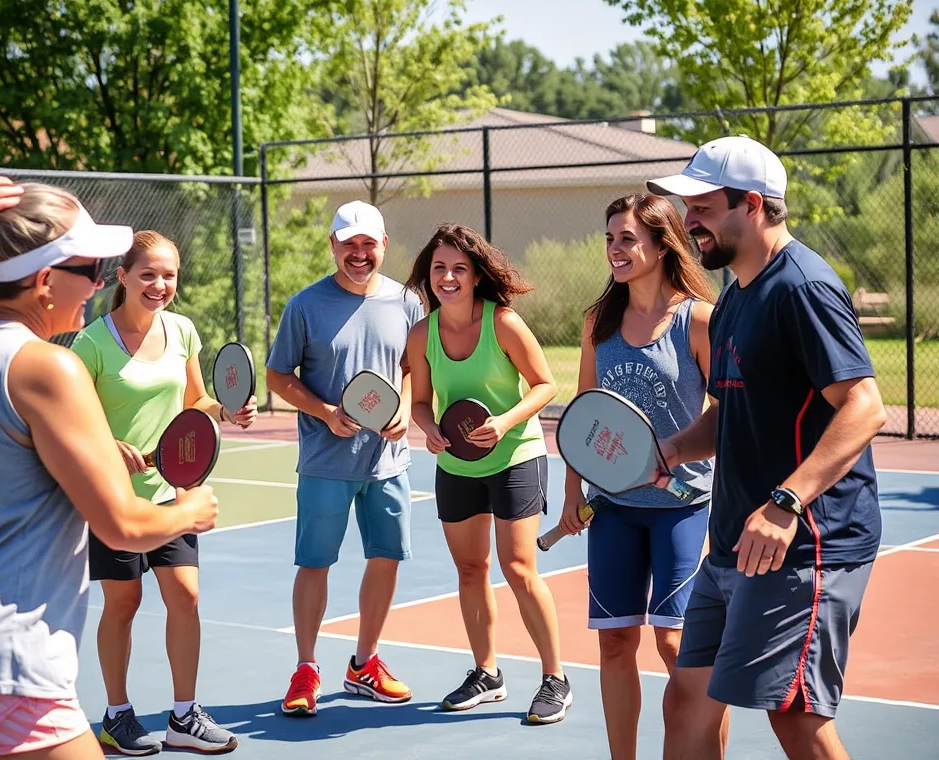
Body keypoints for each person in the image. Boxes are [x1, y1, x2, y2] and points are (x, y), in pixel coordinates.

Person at [0, 178, 218, 760]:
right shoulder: (48, 367)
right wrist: (189, 510)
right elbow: (122, 525)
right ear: (44, 280)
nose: (99, 283)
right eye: (90, 268)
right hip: (0, 657)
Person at [645, 135, 887, 760]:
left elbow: (864, 406)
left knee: (794, 718)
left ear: (750, 204)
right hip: (733, 543)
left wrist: (785, 502)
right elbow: (729, 413)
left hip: (803, 542)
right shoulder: (733, 297)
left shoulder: (801, 287)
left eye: (701, 204)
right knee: (686, 700)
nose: (687, 219)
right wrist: (672, 449)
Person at [70, 230, 256, 754]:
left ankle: (183, 716)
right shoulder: (91, 342)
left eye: (169, 274)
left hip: (174, 491)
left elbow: (196, 401)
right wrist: (109, 444)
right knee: (123, 602)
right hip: (113, 497)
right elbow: (73, 420)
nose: (159, 284)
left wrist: (226, 411)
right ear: (123, 277)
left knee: (186, 597)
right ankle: (116, 715)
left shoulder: (182, 332)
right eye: (148, 273)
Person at [556, 193, 717, 757]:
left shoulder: (698, 319)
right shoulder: (598, 322)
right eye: (609, 239)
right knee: (616, 645)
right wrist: (573, 491)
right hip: (613, 511)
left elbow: (725, 411)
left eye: (627, 239)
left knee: (678, 647)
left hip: (684, 507)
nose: (615, 250)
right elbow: (582, 411)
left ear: (661, 244)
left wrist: (673, 457)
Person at [405, 223, 572, 724]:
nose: (448, 277)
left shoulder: (503, 323)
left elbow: (545, 386)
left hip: (516, 455)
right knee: (470, 570)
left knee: (518, 567)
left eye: (459, 268)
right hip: (456, 462)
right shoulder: (422, 333)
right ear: (428, 275)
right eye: (439, 268)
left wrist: (503, 422)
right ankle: (487, 672)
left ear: (476, 275)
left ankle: (555, 679)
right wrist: (430, 428)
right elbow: (417, 402)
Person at [266, 200, 423, 716]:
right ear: (333, 245)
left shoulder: (406, 301)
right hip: (325, 462)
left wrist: (402, 400)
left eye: (368, 244)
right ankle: (306, 668)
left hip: (388, 461)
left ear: (383, 245)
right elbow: (278, 376)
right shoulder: (305, 306)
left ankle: (364, 665)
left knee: (386, 558)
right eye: (348, 244)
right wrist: (326, 411)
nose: (359, 254)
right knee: (315, 564)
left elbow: (412, 364)